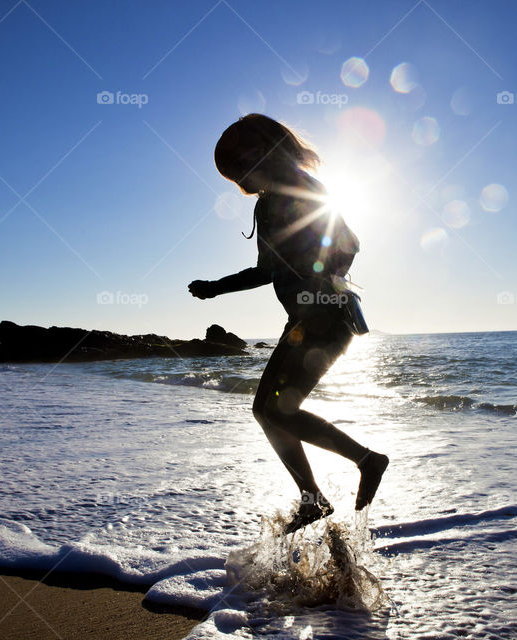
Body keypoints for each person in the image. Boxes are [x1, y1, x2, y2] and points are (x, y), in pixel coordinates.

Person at [188, 114, 388, 534]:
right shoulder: (273, 199)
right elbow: (267, 270)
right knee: (267, 411)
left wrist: (321, 271)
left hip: (325, 318)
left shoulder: (297, 189)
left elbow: (349, 243)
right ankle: (313, 499)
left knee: (275, 410)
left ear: (261, 153)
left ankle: (365, 462)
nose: (239, 181)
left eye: (238, 169)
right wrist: (216, 287)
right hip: (309, 319)